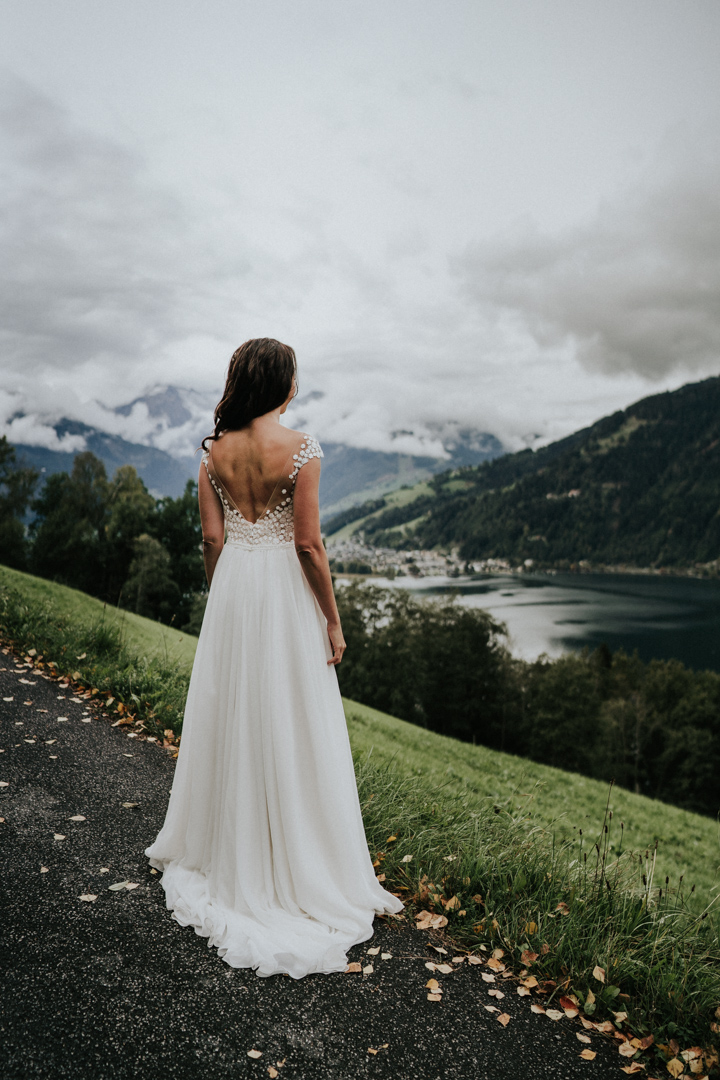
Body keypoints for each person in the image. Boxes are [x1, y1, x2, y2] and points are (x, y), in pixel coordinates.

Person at [145, 338, 403, 978]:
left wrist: (223, 590)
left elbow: (211, 537)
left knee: (235, 714)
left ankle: (228, 850)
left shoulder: (214, 454)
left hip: (235, 587)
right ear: (283, 385)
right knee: (292, 716)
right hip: (285, 596)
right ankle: (297, 859)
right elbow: (310, 546)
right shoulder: (303, 449)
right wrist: (333, 621)